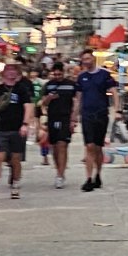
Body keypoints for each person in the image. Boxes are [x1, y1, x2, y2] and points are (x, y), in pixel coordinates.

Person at [0, 63, 34, 201]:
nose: (11, 73)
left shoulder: (22, 89)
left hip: (17, 129)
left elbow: (28, 107)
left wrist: (25, 124)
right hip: (2, 129)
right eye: (8, 70)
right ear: (3, 73)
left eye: (14, 70)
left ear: (17, 73)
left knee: (15, 159)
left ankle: (15, 185)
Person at [74, 53, 120, 191]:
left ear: (93, 59)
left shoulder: (104, 75)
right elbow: (78, 98)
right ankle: (88, 178)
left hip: (101, 114)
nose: (85, 61)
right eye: (83, 59)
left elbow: (114, 92)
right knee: (89, 146)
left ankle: (98, 174)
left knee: (98, 147)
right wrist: (74, 116)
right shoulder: (81, 77)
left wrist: (117, 110)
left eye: (87, 59)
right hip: (87, 115)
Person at [38, 57, 79, 186]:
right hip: (52, 118)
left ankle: (60, 175)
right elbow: (42, 103)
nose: (57, 77)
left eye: (59, 74)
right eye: (55, 74)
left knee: (62, 145)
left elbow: (76, 102)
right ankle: (58, 170)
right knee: (54, 147)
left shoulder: (71, 85)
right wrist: (49, 98)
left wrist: (73, 119)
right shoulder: (48, 85)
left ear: (63, 73)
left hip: (65, 118)